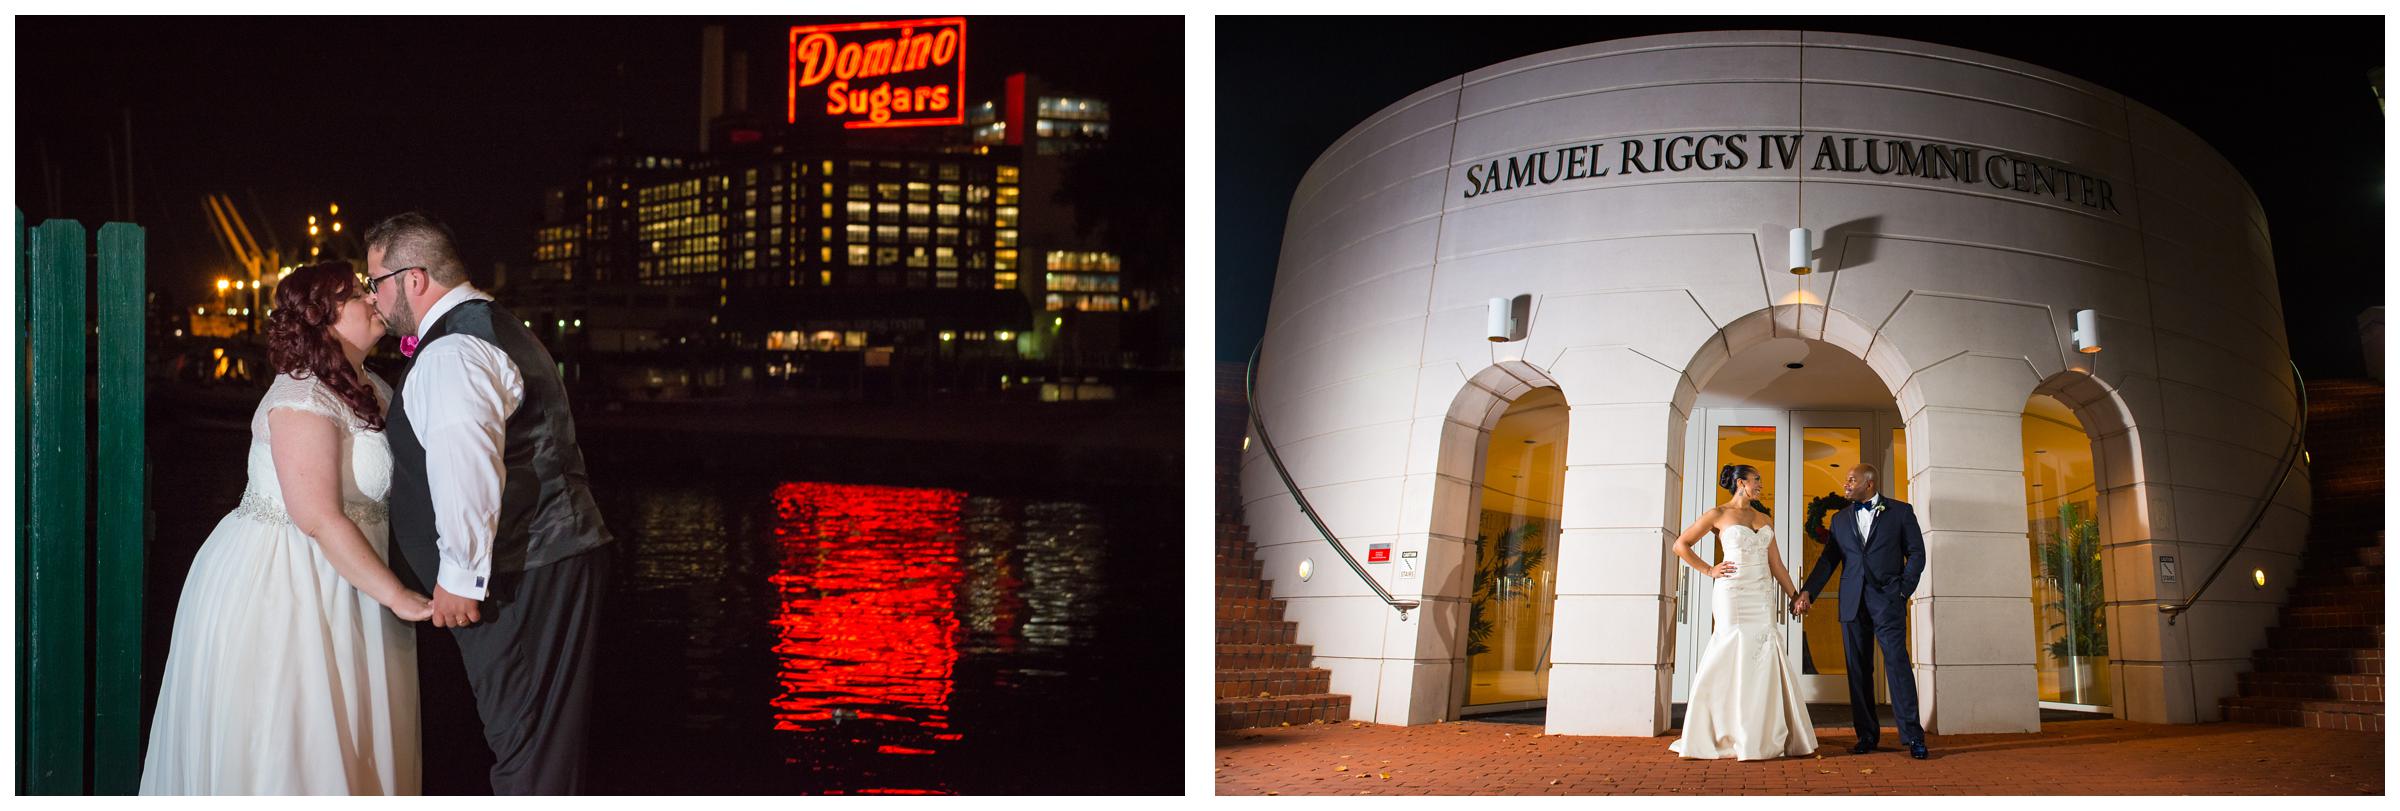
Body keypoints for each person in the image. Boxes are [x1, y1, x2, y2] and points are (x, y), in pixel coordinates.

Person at [141, 264, 432, 795]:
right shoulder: (301, 397)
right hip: (289, 585)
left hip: (352, 579)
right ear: (322, 317)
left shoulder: (374, 388)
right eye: (358, 293)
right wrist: (399, 597)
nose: (373, 299)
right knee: (294, 742)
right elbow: (318, 516)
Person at [363, 211, 614, 794]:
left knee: (525, 741)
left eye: (377, 281)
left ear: (414, 278)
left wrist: (459, 577)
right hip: (549, 559)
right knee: (537, 738)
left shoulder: (453, 352)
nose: (374, 297)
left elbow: (467, 465)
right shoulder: (492, 325)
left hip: (523, 572)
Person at [1668, 464, 1818, 760]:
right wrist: (1709, 569)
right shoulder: (1717, 515)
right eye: (1756, 479)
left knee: (1762, 656)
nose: (1760, 484)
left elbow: (1776, 564)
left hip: (1760, 594)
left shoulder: (1764, 518)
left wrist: (1794, 595)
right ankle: (1719, 729)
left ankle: (1758, 730)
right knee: (1730, 648)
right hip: (1732, 593)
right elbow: (1680, 545)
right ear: (1740, 483)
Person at [1794, 463, 1931, 759]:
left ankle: (1913, 736)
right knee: (1858, 670)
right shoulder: (1840, 519)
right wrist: (1808, 591)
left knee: (1897, 665)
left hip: (1888, 600)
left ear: (1869, 483)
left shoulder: (1900, 512)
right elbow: (1829, 561)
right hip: (1852, 601)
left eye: (1851, 479)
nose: (1845, 484)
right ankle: (1867, 735)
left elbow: (1917, 553)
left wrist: (1903, 590)